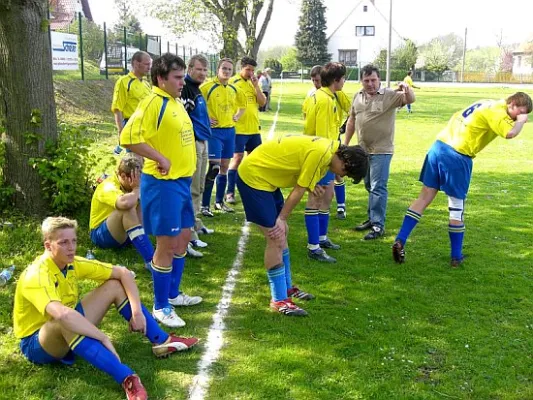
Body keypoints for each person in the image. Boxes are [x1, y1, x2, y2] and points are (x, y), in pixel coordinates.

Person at [13, 217, 199, 400]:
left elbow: (123, 273)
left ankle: (161, 340)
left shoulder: (70, 263)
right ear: (48, 246)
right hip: (37, 343)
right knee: (64, 319)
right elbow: (62, 314)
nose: (71, 247)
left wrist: (136, 313)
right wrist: (101, 336)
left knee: (114, 286)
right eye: (63, 243)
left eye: (74, 241)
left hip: (67, 321)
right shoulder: (36, 275)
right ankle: (127, 377)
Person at [392, 92, 532, 267]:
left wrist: (517, 118)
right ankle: (456, 257)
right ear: (511, 104)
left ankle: (400, 239)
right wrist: (520, 122)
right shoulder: (498, 112)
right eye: (519, 112)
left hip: (439, 146)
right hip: (457, 155)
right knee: (456, 206)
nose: (519, 116)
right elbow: (510, 133)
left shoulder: (487, 101)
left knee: (424, 197)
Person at [236, 135, 368, 316]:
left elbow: (301, 168)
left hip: (266, 179)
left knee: (283, 232)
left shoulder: (328, 152)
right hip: (254, 178)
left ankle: (287, 288)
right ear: (345, 161)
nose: (341, 176)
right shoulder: (321, 154)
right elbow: (298, 189)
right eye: (345, 172)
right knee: (275, 236)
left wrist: (310, 187)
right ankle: (278, 300)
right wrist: (282, 218)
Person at [121, 53, 203, 329]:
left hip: (180, 183)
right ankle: (160, 306)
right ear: (161, 78)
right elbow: (128, 137)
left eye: (182, 77)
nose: (182, 82)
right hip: (163, 185)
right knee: (167, 245)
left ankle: (173, 294)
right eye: (177, 77)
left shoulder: (174, 100)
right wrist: (159, 157)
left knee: (183, 238)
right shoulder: (153, 102)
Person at [344, 64, 415, 240]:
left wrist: (406, 88)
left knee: (378, 187)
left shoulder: (389, 95)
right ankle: (371, 218)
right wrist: (345, 144)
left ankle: (378, 225)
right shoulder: (357, 97)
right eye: (366, 80)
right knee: (369, 185)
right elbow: (351, 121)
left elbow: (410, 99)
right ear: (361, 81)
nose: (370, 84)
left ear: (379, 80)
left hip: (382, 150)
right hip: (363, 150)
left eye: (373, 80)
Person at [302, 62, 347, 263]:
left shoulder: (329, 96)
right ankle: (314, 247)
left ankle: (321, 238)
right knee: (315, 199)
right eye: (343, 78)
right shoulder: (323, 100)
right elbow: (320, 136)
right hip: (321, 157)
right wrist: (327, 160)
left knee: (327, 197)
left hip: (328, 155)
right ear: (336, 80)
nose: (345, 81)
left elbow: (348, 105)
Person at [89, 154, 154, 269]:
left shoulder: (133, 185)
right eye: (135, 179)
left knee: (143, 199)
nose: (138, 182)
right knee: (126, 208)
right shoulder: (107, 186)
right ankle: (150, 260)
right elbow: (124, 203)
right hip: (100, 234)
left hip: (124, 234)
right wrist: (137, 189)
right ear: (123, 176)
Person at [199, 58, 246, 215]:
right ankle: (204, 205)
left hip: (230, 132)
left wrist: (238, 115)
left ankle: (219, 202)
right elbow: (195, 105)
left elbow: (243, 105)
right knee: (214, 168)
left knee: (225, 167)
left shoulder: (234, 88)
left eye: (229, 69)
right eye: (224, 68)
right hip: (214, 133)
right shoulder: (207, 87)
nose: (226, 71)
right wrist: (205, 118)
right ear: (218, 69)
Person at [181, 54, 215, 257]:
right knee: (192, 188)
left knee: (200, 185)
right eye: (199, 69)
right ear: (190, 68)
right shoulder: (185, 88)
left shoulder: (196, 89)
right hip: (193, 142)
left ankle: (196, 223)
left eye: (205, 70)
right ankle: (190, 234)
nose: (203, 73)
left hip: (202, 141)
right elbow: (183, 117)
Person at [225, 56, 267, 205]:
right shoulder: (233, 82)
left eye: (252, 70)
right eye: (248, 69)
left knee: (255, 161)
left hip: (254, 129)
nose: (250, 73)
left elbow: (262, 103)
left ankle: (253, 191)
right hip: (239, 130)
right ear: (240, 68)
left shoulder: (253, 83)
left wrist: (256, 86)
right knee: (237, 159)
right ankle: (229, 192)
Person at [111, 51, 151, 155]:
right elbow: (117, 108)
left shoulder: (146, 84)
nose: (149, 67)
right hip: (132, 126)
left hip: (147, 128)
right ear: (137, 64)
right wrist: (121, 131)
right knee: (135, 162)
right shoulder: (124, 82)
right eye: (147, 64)